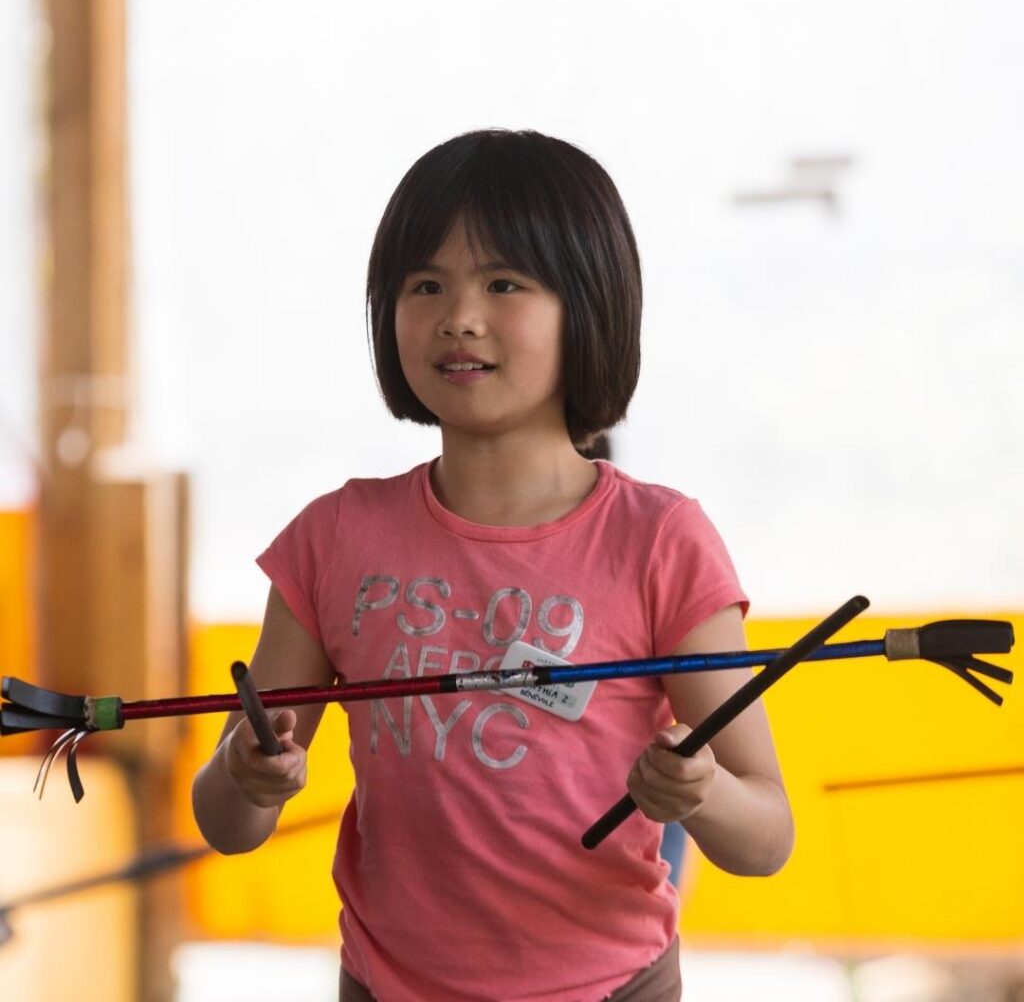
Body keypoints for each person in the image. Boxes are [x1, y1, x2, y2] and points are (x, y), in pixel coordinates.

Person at [192, 129, 794, 1002]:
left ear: (588, 304)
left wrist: (700, 792)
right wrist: (246, 777)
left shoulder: (661, 539)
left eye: (504, 283)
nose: (458, 315)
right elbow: (230, 825)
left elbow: (766, 837)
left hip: (612, 986)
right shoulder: (333, 537)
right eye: (425, 284)